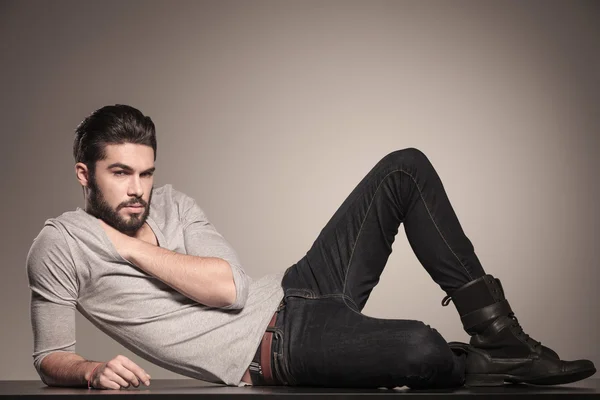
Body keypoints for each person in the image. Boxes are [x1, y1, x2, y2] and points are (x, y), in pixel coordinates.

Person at [27, 104, 596, 390]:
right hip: (277, 351)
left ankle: (503, 337)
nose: (137, 190)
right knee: (421, 349)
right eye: (121, 173)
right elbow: (49, 356)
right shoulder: (59, 246)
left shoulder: (171, 204)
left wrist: (123, 247)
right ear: (84, 173)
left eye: (145, 174)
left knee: (404, 168)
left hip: (300, 287)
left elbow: (230, 288)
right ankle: (486, 364)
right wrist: (91, 370)